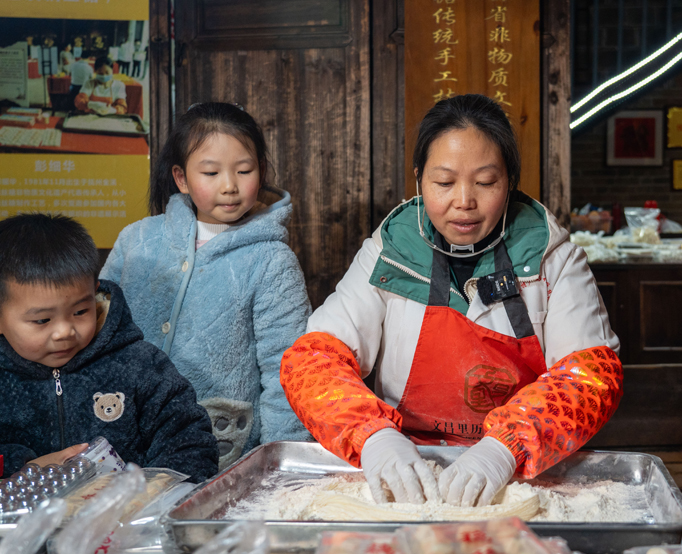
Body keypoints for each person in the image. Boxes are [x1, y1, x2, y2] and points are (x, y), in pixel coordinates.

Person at [281, 94, 623, 507]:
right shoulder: (391, 252)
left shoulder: (551, 256)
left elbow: (592, 376)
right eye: (444, 183)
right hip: (409, 472)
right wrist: (372, 437)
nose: (464, 201)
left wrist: (505, 448)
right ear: (419, 179)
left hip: (517, 475)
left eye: (485, 182)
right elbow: (312, 360)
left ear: (510, 182)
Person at [101, 102, 313, 470]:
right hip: (124, 437)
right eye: (211, 172)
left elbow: (288, 374)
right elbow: (97, 334)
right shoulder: (136, 241)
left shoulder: (272, 261)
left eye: (244, 170)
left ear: (260, 172)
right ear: (181, 179)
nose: (229, 186)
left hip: (221, 452)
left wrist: (281, 465)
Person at [0, 214, 219, 483]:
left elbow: (189, 439)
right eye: (42, 320)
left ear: (95, 292)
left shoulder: (139, 365)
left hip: (133, 519)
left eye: (80, 311)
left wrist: (154, 493)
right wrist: (24, 467)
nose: (64, 332)